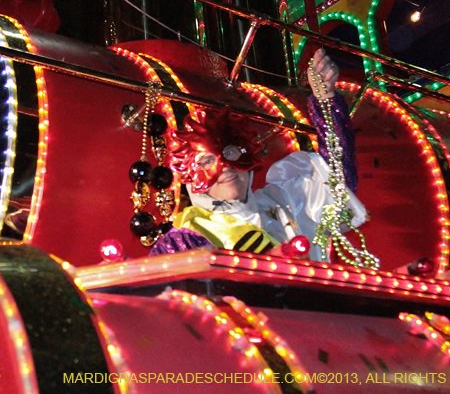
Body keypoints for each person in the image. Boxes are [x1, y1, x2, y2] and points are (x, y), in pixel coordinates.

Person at [150, 49, 367, 262]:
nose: (224, 166)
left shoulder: (288, 201)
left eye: (230, 152)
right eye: (207, 160)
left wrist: (326, 100)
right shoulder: (187, 240)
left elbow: (339, 181)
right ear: (190, 175)